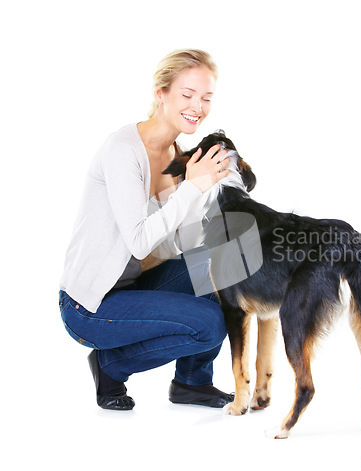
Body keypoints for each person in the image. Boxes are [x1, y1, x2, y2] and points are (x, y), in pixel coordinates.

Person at [58, 49, 234, 411]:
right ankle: (109, 365)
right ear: (161, 93)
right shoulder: (123, 150)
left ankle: (192, 383)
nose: (197, 106)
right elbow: (139, 243)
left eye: (206, 97)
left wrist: (206, 189)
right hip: (90, 305)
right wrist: (192, 188)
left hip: (137, 284)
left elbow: (180, 244)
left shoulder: (178, 155)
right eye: (187, 95)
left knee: (227, 265)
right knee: (209, 325)